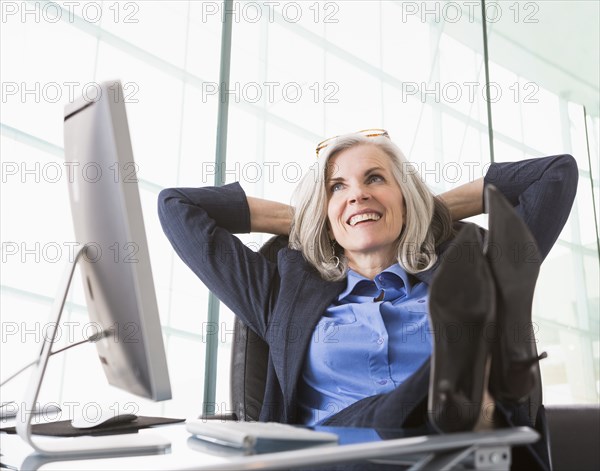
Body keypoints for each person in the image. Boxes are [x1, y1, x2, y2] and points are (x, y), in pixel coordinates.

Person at [158, 130, 578, 470]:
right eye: (336, 187)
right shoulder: (281, 291)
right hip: (334, 458)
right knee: (429, 397)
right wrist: (306, 218)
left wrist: (429, 211)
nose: (357, 194)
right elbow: (177, 206)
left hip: (457, 458)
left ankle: (459, 404)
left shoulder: (464, 278)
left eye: (374, 179)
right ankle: (452, 395)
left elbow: (554, 175)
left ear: (405, 196)